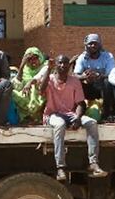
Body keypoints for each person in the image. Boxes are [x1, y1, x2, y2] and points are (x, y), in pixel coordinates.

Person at [40, 54, 108, 182]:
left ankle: (93, 163)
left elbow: (80, 103)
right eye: (60, 63)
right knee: (59, 125)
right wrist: (48, 69)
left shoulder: (74, 81)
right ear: (56, 65)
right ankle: (60, 167)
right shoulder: (49, 79)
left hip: (71, 114)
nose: (62, 66)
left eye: (65, 63)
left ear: (69, 66)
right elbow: (41, 90)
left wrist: (77, 117)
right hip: (53, 114)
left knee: (92, 123)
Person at [74, 34, 115, 122]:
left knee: (108, 82)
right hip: (89, 87)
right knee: (75, 82)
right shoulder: (82, 57)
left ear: (100, 45)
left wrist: (97, 75)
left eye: (95, 43)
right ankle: (77, 112)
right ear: (86, 46)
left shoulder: (108, 56)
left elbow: (112, 74)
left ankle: (107, 114)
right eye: (90, 44)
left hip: (103, 88)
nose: (93, 46)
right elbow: (75, 75)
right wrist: (84, 76)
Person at [12, 47, 48, 123]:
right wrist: (22, 66)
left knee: (35, 86)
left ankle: (38, 117)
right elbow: (17, 85)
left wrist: (30, 83)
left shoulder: (46, 66)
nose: (32, 61)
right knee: (12, 92)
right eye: (29, 59)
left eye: (35, 58)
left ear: (40, 57)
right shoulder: (25, 69)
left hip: (40, 96)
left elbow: (40, 76)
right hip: (26, 97)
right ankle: (27, 117)